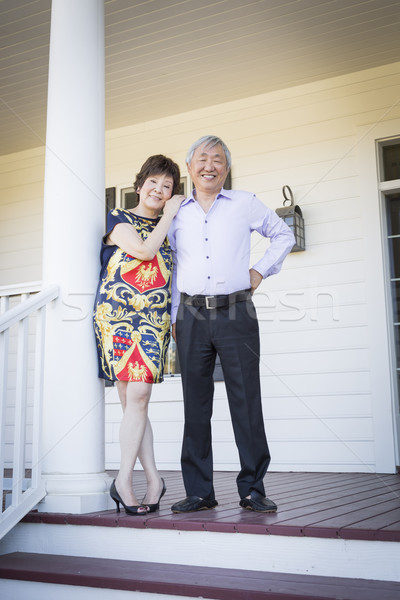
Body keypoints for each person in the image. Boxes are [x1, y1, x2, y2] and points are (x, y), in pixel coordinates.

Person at [168, 136, 295, 514]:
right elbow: (173, 265)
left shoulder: (245, 203)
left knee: (246, 401)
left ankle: (253, 488)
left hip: (236, 312)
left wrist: (259, 271)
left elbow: (283, 234)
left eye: (218, 160)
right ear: (189, 167)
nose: (210, 166)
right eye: (202, 159)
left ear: (226, 167)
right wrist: (175, 315)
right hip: (189, 315)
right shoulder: (175, 212)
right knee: (195, 404)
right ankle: (199, 491)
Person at [93, 155, 184, 515]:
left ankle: (148, 480)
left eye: (167, 187)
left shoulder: (171, 229)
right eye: (154, 182)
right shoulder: (119, 218)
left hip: (154, 317)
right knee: (136, 400)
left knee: (138, 401)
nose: (159, 190)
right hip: (117, 315)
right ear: (140, 183)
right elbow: (144, 252)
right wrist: (169, 215)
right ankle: (129, 481)